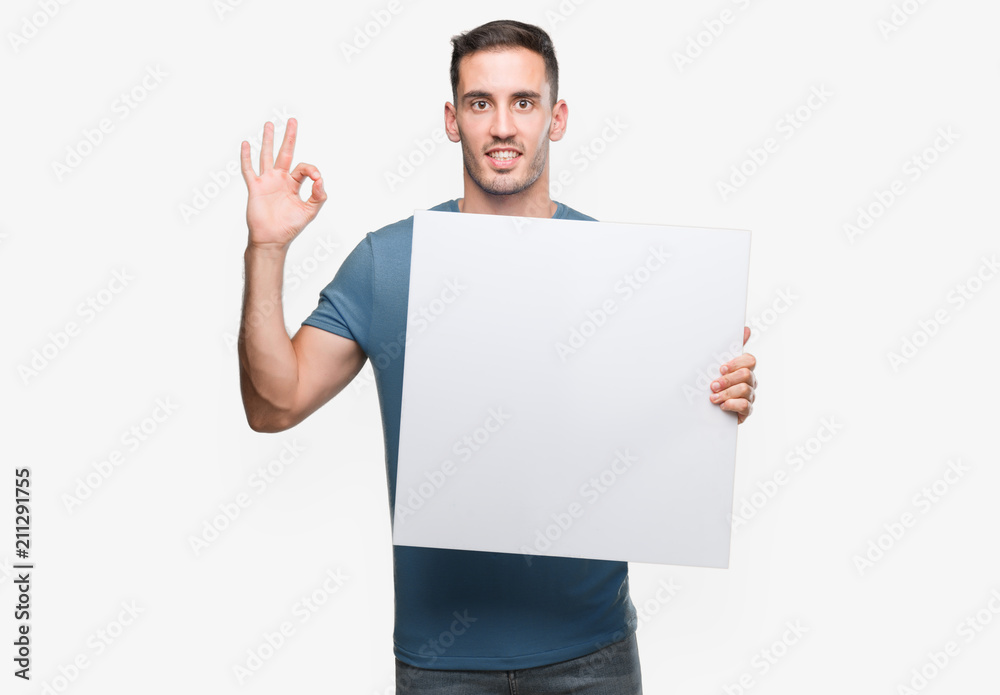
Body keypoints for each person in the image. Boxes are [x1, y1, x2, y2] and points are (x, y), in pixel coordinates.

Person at [237, 18, 757, 695]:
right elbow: (272, 404)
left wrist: (715, 401)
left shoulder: (618, 270)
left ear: (556, 117)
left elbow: (645, 446)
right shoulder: (389, 263)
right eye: (481, 103)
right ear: (453, 120)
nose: (503, 125)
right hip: (441, 662)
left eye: (524, 102)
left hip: (591, 654)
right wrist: (267, 249)